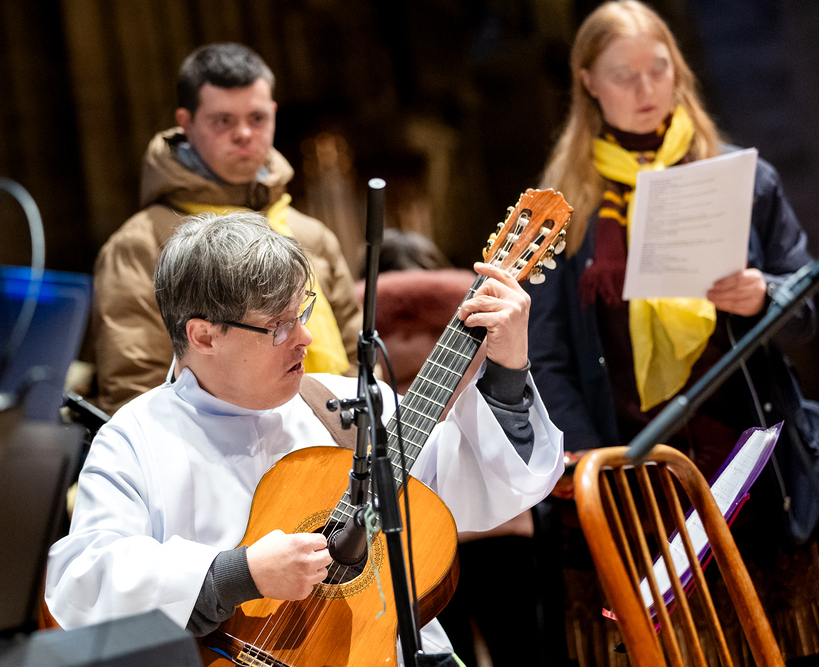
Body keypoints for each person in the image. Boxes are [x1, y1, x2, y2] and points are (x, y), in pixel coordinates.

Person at [45, 212, 564, 660]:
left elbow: (485, 485)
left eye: (303, 312)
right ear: (203, 336)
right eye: (278, 326)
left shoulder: (346, 407)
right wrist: (238, 573)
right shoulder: (135, 438)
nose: (306, 338)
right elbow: (83, 583)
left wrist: (508, 367)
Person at [527, 1, 819, 662]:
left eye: (658, 69)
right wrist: (596, 463)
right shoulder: (562, 206)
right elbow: (544, 357)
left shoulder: (744, 177)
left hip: (750, 467)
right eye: (624, 75)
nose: (645, 89)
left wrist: (765, 295)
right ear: (588, 82)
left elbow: (807, 310)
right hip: (637, 483)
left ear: (679, 70)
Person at [91, 43, 362, 415]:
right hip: (213, 443)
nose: (244, 134)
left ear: (273, 114)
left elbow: (360, 362)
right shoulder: (140, 244)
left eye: (257, 118)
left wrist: (345, 436)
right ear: (186, 124)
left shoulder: (312, 235)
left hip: (332, 433)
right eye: (223, 121)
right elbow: (135, 389)